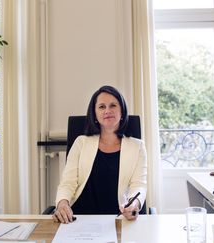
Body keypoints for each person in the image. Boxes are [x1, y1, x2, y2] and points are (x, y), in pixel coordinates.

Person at [54, 85, 147, 224]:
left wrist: (134, 204)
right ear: (95, 114)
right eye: (102, 107)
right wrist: (62, 203)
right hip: (78, 219)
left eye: (113, 105)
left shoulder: (137, 146)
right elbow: (68, 182)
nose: (107, 111)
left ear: (122, 111)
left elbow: (139, 185)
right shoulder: (81, 143)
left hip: (117, 219)